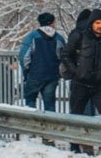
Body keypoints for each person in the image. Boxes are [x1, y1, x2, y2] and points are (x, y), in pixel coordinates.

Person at [60, 10, 101, 147]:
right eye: (97, 23)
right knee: (76, 116)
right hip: (80, 83)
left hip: (98, 85)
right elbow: (65, 55)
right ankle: (75, 146)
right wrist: (75, 72)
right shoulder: (79, 36)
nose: (100, 25)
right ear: (91, 24)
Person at [18, 13, 66, 112]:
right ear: (52, 22)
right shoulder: (59, 38)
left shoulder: (31, 36)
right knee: (50, 105)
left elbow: (24, 56)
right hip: (52, 75)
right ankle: (50, 126)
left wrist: (26, 71)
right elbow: (63, 57)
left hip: (34, 74)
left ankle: (31, 126)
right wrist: (59, 73)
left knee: (30, 103)